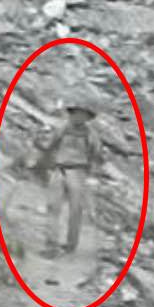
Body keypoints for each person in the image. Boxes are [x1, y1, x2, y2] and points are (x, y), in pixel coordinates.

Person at [33, 95, 103, 256]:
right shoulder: (62, 128)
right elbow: (50, 146)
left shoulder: (91, 134)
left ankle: (71, 245)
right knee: (53, 207)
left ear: (87, 117)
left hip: (78, 172)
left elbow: (96, 155)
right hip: (59, 169)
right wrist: (40, 148)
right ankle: (51, 244)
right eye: (76, 113)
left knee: (75, 210)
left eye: (82, 114)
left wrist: (93, 174)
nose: (79, 117)